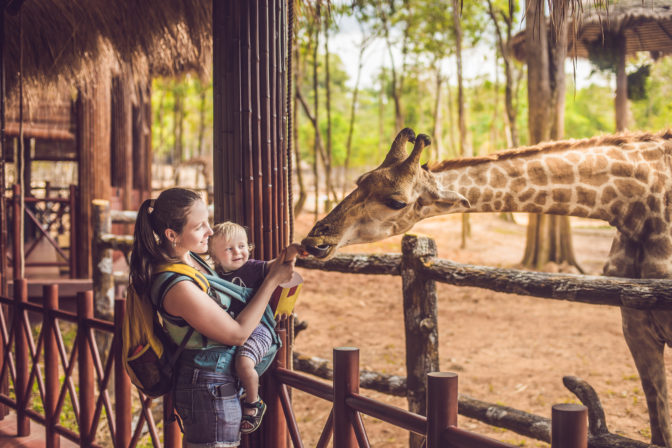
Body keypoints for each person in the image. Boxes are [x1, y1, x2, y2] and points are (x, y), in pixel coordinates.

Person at [129, 188, 295, 447]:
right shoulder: (176, 285)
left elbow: (237, 271)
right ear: (172, 235)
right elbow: (237, 334)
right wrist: (273, 281)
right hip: (208, 388)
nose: (209, 231)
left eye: (208, 221)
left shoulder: (190, 258)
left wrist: (283, 260)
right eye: (199, 227)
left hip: (217, 381)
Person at [208, 222, 304, 433]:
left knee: (243, 364)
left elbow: (279, 261)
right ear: (214, 256)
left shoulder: (252, 268)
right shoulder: (213, 276)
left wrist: (294, 250)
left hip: (258, 329)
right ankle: (241, 391)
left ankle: (253, 402)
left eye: (242, 246)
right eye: (229, 249)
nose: (238, 252)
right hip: (231, 329)